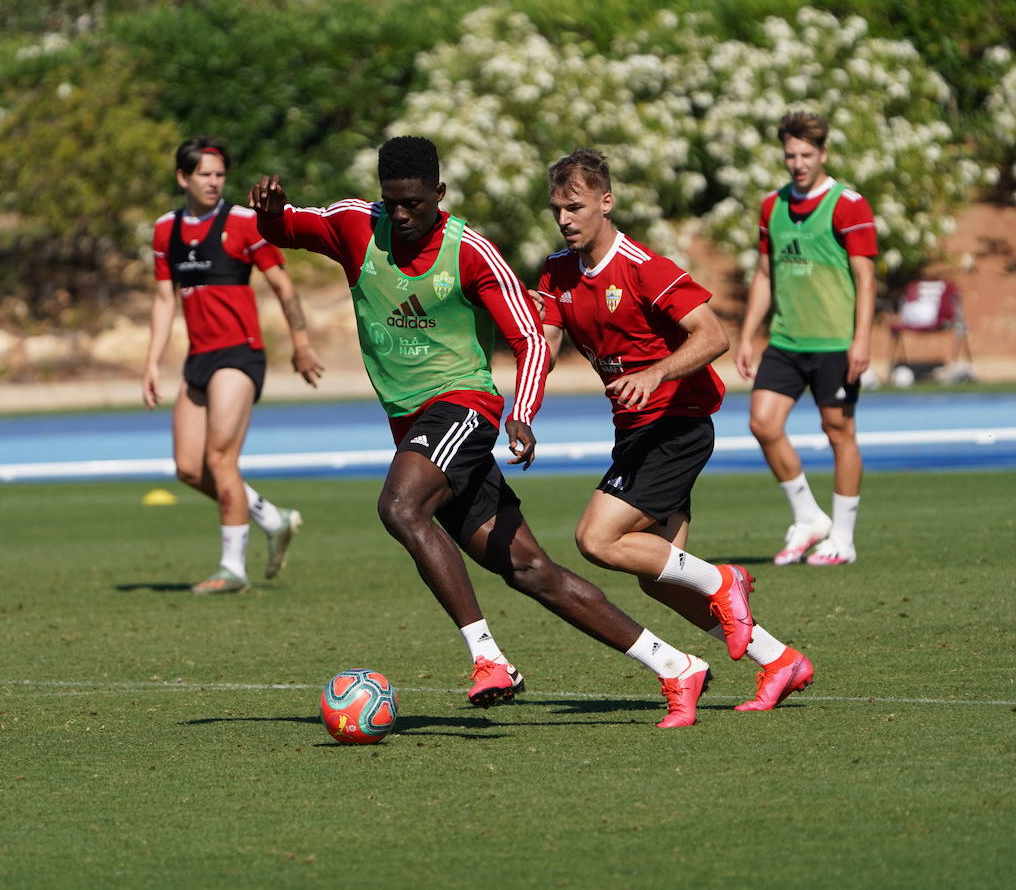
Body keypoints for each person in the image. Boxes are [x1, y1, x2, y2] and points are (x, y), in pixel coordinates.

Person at [250, 135, 746, 727]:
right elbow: (287, 230)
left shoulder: (472, 252)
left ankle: (488, 658)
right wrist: (272, 211)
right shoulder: (358, 224)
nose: (401, 215)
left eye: (413, 202)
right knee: (532, 571)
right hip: (416, 425)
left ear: (439, 194)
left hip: (462, 408)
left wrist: (521, 412)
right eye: (392, 202)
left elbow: (531, 338)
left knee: (400, 507)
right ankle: (675, 666)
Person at [536, 149, 814, 712]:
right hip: (636, 433)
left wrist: (657, 371)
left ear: (605, 203)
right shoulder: (557, 271)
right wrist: (519, 406)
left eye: (576, 206)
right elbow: (541, 340)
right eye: (557, 209)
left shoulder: (643, 267)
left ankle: (721, 581)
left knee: (596, 539)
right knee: (660, 577)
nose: (565, 219)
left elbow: (713, 336)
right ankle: (780, 661)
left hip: (676, 426)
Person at [143, 137, 325, 594]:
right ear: (183, 177)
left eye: (219, 175)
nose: (213, 182)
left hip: (239, 355)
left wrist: (301, 344)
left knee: (220, 457)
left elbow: (284, 287)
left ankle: (232, 568)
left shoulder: (244, 224)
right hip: (198, 359)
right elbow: (165, 299)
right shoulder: (165, 230)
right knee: (188, 467)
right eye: (204, 174)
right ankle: (271, 516)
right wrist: (151, 363)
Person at [735, 111, 877, 567]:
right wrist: (747, 335)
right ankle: (808, 518)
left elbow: (866, 278)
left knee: (839, 432)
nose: (797, 163)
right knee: (763, 424)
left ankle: (844, 538)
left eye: (806, 155)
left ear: (823, 154)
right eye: (790, 154)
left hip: (835, 343)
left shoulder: (848, 204)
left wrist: (861, 340)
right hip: (786, 340)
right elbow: (763, 275)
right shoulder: (771, 206)